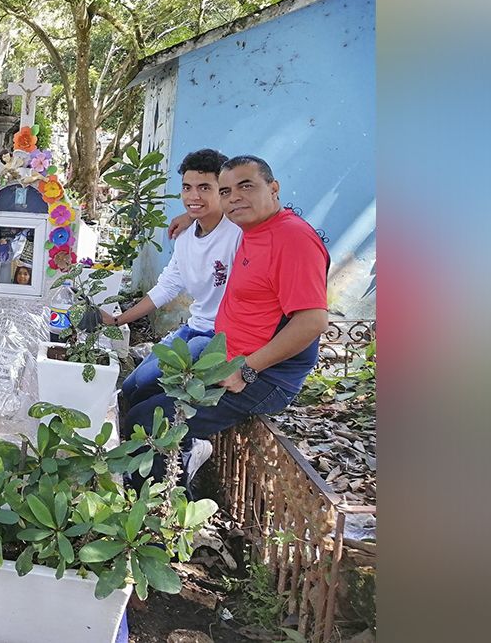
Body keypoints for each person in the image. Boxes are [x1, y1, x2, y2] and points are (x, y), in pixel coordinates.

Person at [122, 155, 329, 495]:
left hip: (265, 376)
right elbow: (211, 213)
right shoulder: (251, 228)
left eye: (246, 187)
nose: (235, 198)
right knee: (139, 395)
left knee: (148, 421)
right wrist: (191, 214)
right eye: (227, 190)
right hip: (227, 353)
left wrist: (247, 369)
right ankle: (173, 470)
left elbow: (313, 321)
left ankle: (165, 519)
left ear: (273, 189)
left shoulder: (291, 239)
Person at [105, 149, 241, 411]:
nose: (193, 196)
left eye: (204, 187)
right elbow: (166, 287)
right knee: (132, 386)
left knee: (145, 396)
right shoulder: (185, 237)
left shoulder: (237, 233)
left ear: (222, 190)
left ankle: (186, 443)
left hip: (221, 335)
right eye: (187, 188)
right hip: (194, 326)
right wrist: (117, 320)